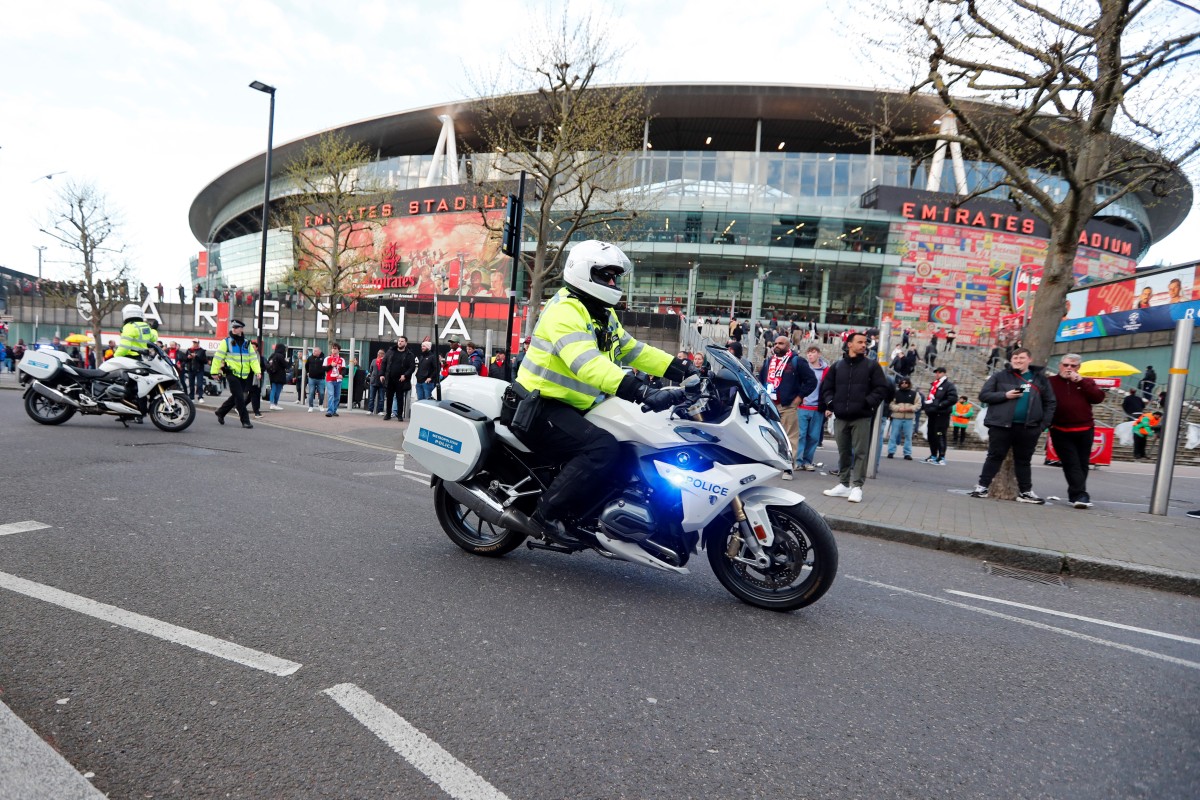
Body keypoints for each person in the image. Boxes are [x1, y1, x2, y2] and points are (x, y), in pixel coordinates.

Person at [512, 239, 691, 544]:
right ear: (584, 273)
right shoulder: (565, 310)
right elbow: (588, 366)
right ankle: (546, 515)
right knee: (601, 448)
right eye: (605, 275)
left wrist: (685, 370)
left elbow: (634, 351)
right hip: (540, 405)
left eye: (614, 277)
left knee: (629, 442)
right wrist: (643, 392)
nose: (611, 282)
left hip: (576, 406)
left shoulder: (602, 314)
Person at [969, 347, 1056, 503]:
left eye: (1021, 358)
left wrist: (1042, 425)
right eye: (1015, 358)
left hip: (1028, 427)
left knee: (1023, 460)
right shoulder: (999, 376)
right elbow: (984, 395)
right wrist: (1005, 395)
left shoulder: (1040, 379)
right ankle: (982, 487)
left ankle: (1026, 492)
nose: (1018, 361)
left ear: (1029, 359)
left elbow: (1050, 402)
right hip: (1001, 425)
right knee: (994, 456)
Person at [820, 331, 891, 503]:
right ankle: (844, 485)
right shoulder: (837, 366)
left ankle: (857, 487)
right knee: (843, 452)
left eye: (865, 342)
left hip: (861, 417)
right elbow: (826, 388)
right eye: (859, 342)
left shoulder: (871, 366)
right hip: (841, 416)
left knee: (860, 452)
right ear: (849, 344)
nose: (863, 345)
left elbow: (881, 389)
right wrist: (831, 404)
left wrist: (866, 403)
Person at [1048, 354, 1106, 509]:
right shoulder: (1050, 382)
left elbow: (1098, 398)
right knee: (1071, 462)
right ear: (1060, 365)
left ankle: (1077, 495)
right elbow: (1031, 390)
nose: (1069, 369)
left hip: (1085, 429)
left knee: (1082, 463)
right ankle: (1081, 495)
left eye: (1073, 366)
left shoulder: (1087, 382)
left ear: (1078, 368)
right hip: (1060, 429)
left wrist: (1081, 381)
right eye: (1066, 365)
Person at [758, 336, 817, 480]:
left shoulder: (797, 361)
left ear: (788, 345)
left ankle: (788, 468)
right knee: (770, 436)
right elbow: (760, 380)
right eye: (776, 343)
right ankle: (771, 464)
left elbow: (811, 381)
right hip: (770, 405)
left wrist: (799, 398)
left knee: (790, 437)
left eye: (781, 343)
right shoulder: (768, 361)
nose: (777, 345)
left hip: (787, 405)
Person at [209, 319, 260, 429]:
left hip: (244, 375)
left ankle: (221, 412)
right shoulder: (226, 342)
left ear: (241, 329)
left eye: (236, 327)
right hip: (231, 373)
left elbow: (253, 359)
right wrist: (214, 371)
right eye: (233, 327)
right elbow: (217, 358)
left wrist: (257, 371)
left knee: (236, 396)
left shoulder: (247, 343)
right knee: (240, 397)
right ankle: (245, 420)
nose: (234, 329)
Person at [797, 345, 829, 471]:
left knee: (814, 437)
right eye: (808, 353)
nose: (810, 355)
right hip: (803, 406)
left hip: (817, 407)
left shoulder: (826, 371)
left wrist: (828, 406)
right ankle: (798, 461)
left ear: (819, 354)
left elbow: (828, 388)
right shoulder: (803, 369)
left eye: (813, 352)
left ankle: (807, 461)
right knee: (800, 435)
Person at [921, 367, 958, 465]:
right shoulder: (934, 385)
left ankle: (941, 457)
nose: (937, 374)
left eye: (939, 372)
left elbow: (953, 398)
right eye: (936, 372)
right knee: (931, 435)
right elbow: (931, 398)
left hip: (942, 414)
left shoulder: (949, 385)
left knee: (940, 435)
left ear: (944, 373)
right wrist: (928, 407)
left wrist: (940, 405)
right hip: (932, 413)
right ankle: (933, 455)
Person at [382, 336, 415, 421]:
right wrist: (382, 374)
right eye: (399, 341)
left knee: (400, 398)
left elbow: (412, 367)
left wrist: (405, 375)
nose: (400, 342)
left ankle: (399, 415)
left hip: (401, 380)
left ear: (405, 343)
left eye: (402, 341)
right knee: (389, 397)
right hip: (390, 378)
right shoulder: (391, 351)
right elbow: (384, 363)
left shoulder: (409, 354)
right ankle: (388, 414)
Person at [886, 377, 917, 460]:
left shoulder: (914, 394)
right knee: (893, 435)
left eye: (906, 382)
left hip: (909, 418)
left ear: (909, 384)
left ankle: (907, 453)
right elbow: (891, 404)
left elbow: (918, 404)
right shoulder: (896, 393)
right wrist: (898, 409)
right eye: (902, 382)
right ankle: (891, 452)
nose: (904, 384)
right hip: (897, 417)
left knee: (908, 437)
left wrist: (911, 408)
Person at [323, 343, 346, 417]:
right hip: (329, 379)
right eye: (332, 348)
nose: (333, 350)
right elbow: (324, 368)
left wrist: (342, 375)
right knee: (331, 395)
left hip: (338, 380)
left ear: (338, 350)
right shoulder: (327, 358)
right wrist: (330, 365)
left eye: (335, 348)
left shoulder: (341, 359)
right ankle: (330, 411)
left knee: (337, 396)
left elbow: (344, 369)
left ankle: (334, 410)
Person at [265, 343, 289, 410]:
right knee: (277, 390)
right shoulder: (281, 356)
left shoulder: (272, 355)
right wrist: (287, 361)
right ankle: (274, 404)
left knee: (273, 389)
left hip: (272, 374)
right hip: (280, 375)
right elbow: (286, 365)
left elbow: (267, 363)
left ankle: (271, 403)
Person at [304, 347, 325, 411]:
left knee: (321, 393)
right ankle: (310, 406)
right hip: (312, 378)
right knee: (311, 392)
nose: (314, 352)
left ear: (319, 352)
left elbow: (326, 366)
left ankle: (321, 405)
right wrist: (307, 372)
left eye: (315, 351)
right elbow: (306, 366)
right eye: (313, 351)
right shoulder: (310, 358)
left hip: (321, 379)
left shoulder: (323, 358)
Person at [367, 349, 386, 413]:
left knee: (381, 398)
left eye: (381, 353)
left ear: (384, 354)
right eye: (379, 353)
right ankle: (370, 410)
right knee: (371, 397)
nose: (380, 354)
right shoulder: (374, 361)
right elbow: (371, 370)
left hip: (382, 382)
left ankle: (380, 410)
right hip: (373, 381)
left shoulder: (385, 361)